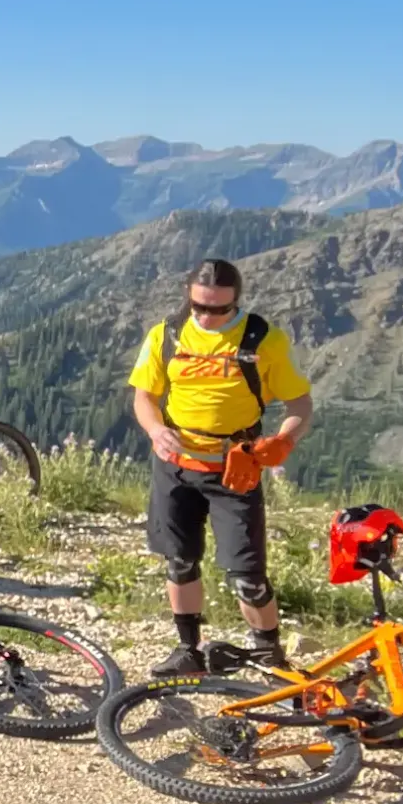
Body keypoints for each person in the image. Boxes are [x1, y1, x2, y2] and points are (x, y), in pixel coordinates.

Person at [129, 257, 313, 675]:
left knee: (248, 576)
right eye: (199, 307)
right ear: (188, 297)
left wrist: (283, 440)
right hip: (175, 466)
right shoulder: (168, 335)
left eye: (219, 309)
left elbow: (300, 404)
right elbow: (144, 396)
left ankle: (270, 656)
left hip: (236, 468)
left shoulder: (263, 340)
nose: (208, 317)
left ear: (236, 302)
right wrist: (157, 431)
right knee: (179, 561)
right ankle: (188, 650)